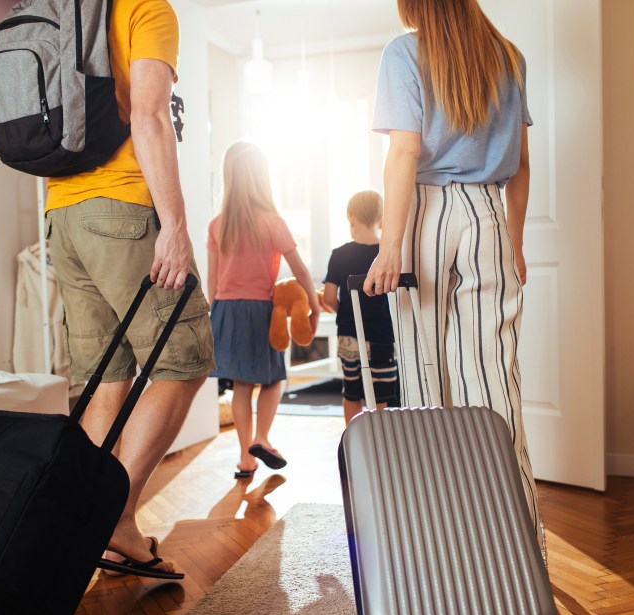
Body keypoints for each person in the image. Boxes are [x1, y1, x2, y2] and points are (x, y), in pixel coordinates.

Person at [362, 0, 545, 556]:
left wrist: (390, 242)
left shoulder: (404, 52)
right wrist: (513, 241)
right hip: (489, 214)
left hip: (426, 217)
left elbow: (404, 153)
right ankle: (522, 554)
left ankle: (444, 549)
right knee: (494, 384)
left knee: (426, 382)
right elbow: (523, 162)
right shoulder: (508, 57)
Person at [44, 0, 214, 578]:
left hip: (62, 214)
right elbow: (149, 116)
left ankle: (83, 523)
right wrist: (175, 225)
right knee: (186, 357)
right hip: (122, 209)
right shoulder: (148, 10)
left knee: (105, 376)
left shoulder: (67, 11)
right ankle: (114, 518)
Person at [207, 141, 320, 479]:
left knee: (241, 386)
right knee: (273, 380)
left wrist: (215, 322)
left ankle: (245, 459)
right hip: (260, 311)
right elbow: (299, 270)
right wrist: (313, 302)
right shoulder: (272, 222)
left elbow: (212, 285)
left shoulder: (217, 225)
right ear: (261, 178)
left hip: (226, 311)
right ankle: (262, 437)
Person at [323, 190, 398, 424]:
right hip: (381, 336)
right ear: (382, 220)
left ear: (350, 217)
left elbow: (327, 297)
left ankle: (354, 439)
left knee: (351, 391)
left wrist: (345, 312)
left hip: (349, 335)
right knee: (381, 396)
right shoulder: (386, 256)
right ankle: (382, 439)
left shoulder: (339, 255)